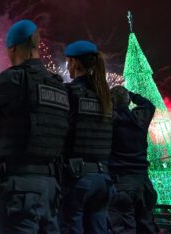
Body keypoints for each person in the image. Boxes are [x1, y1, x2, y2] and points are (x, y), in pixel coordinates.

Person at [0, 19, 70, 234]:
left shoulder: (12, 79)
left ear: (11, 48)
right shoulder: (58, 85)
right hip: (52, 186)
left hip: (19, 187)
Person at [59, 40, 114, 234]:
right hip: (104, 178)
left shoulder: (70, 93)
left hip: (78, 178)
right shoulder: (106, 98)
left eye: (68, 61)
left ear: (73, 62)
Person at [108, 85, 159, 234]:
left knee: (124, 228)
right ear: (129, 101)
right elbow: (149, 105)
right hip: (143, 183)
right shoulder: (140, 118)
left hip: (122, 183)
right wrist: (130, 94)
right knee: (147, 227)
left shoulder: (112, 119)